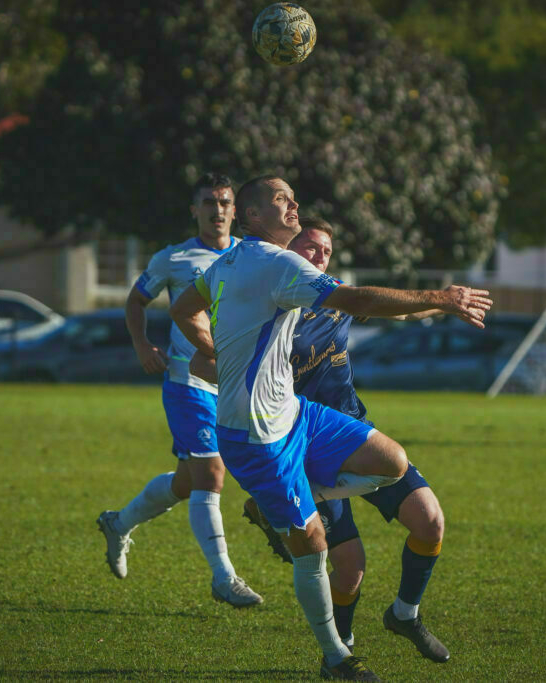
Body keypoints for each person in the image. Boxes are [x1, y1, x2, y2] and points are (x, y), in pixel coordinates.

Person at [169, 175, 492, 681]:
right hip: (259, 436)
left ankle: (386, 598)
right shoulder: (274, 264)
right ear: (254, 217)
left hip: (301, 416)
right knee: (316, 548)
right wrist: (442, 295)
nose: (294, 204)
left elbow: (183, 308)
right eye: (282, 200)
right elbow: (360, 300)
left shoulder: (232, 264)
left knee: (395, 463)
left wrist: (444, 303)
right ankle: (337, 657)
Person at [246, 216, 453, 662]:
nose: (319, 255)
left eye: (325, 249)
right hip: (304, 447)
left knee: (430, 521)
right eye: (309, 247)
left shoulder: (335, 295)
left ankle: (405, 614)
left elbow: (398, 309)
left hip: (352, 435)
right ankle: (340, 653)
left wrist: (448, 303)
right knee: (350, 570)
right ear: (287, 250)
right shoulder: (271, 304)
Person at [95, 172, 263, 608]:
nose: (218, 209)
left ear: (236, 209)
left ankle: (119, 522)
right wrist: (141, 343)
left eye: (226, 202)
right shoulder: (174, 258)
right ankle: (224, 578)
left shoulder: (250, 254)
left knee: (188, 482)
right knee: (211, 475)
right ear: (195, 209)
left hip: (232, 383)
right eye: (209, 201)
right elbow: (136, 300)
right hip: (187, 380)